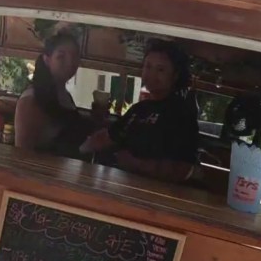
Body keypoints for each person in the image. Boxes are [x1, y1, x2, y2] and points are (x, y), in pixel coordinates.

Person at [82, 39, 200, 183]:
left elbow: (183, 169)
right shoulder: (139, 109)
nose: (151, 74)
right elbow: (109, 136)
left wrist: (135, 163)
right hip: (124, 185)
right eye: (148, 66)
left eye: (160, 69)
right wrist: (78, 148)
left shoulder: (181, 112)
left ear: (175, 75)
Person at [14, 32, 94, 159]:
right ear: (47, 60)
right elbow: (23, 154)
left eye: (74, 57)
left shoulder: (66, 96)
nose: (69, 62)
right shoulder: (32, 99)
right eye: (61, 57)